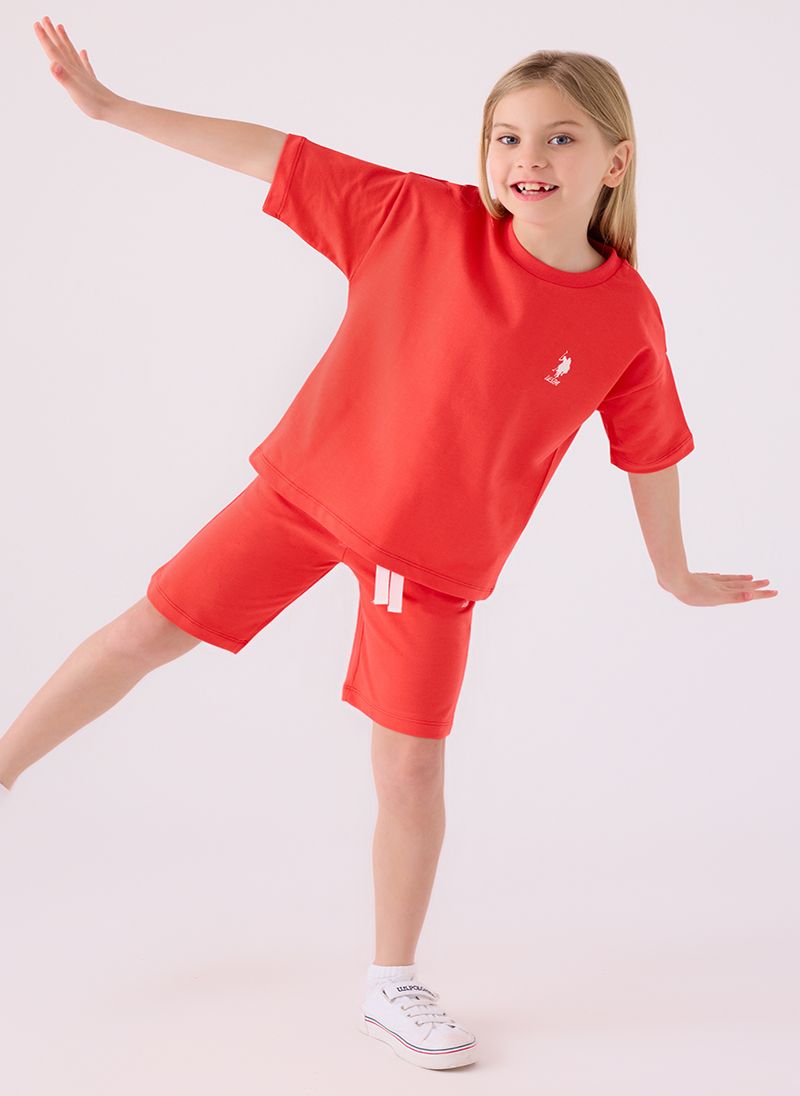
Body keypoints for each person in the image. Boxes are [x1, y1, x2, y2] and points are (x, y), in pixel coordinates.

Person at [5, 20, 778, 1071]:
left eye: (559, 138)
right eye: (507, 137)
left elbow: (650, 453)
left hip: (430, 564)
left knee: (409, 769)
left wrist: (672, 573)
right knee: (145, 631)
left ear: (614, 160)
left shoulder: (625, 317)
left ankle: (391, 982)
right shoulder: (417, 217)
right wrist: (113, 109)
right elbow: (272, 154)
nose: (527, 159)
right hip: (306, 495)